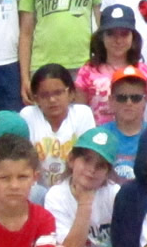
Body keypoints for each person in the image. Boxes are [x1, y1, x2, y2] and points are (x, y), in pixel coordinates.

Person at [42, 126, 121, 247]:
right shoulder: (56, 195)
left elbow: (130, 240)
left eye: (100, 166)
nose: (91, 170)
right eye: (86, 160)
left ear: (107, 172)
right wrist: (85, 204)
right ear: (72, 160)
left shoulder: (114, 192)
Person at [21, 64, 97, 197]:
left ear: (71, 93)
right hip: (37, 190)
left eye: (58, 93)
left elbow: (88, 157)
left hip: (73, 189)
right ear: (36, 98)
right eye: (44, 95)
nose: (52, 100)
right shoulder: (28, 116)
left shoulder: (82, 114)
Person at [75, 4, 147, 125]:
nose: (118, 40)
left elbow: (144, 109)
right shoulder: (87, 71)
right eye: (111, 34)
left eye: (124, 34)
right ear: (101, 37)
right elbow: (80, 114)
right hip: (96, 134)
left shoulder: (143, 71)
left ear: (133, 37)